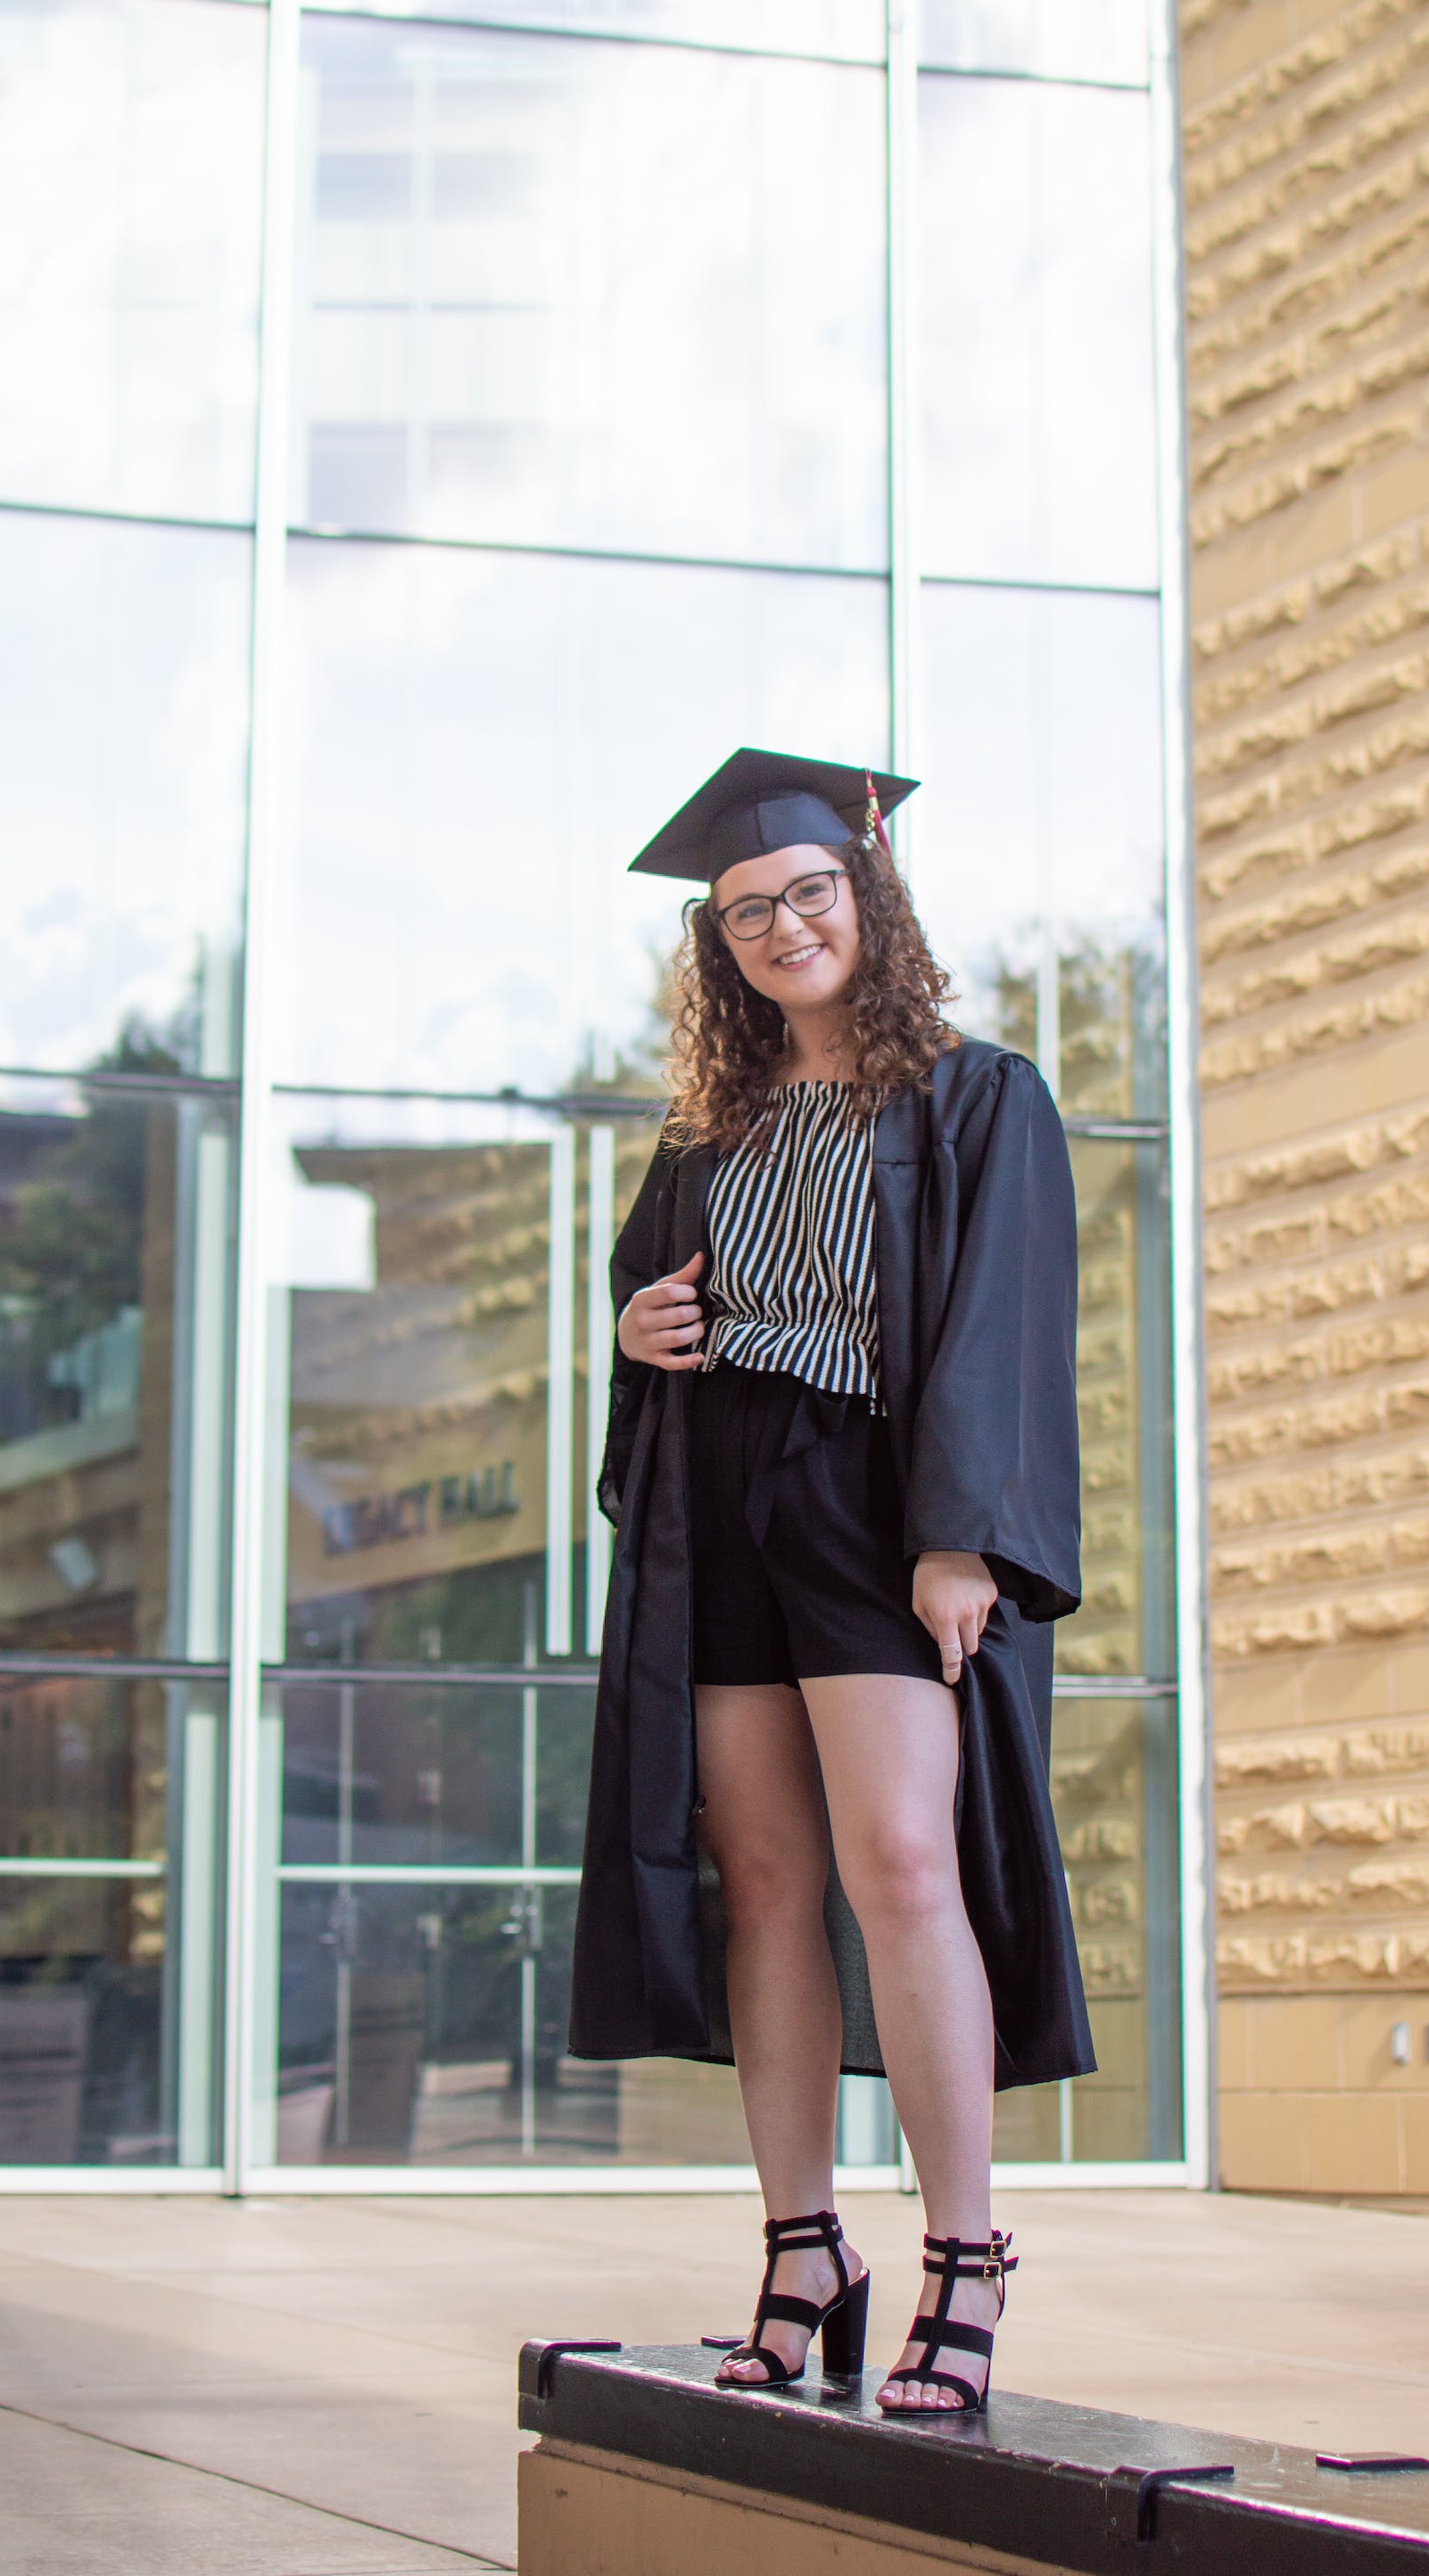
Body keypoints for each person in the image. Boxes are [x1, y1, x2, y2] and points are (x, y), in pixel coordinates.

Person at [569, 748, 1093, 2416]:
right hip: (725, 1498)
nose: (781, 927)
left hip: (880, 1500)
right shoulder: (706, 1128)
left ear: (867, 892)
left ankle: (965, 2257)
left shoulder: (976, 1093)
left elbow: (1000, 1327)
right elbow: (659, 1304)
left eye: (807, 893)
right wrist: (640, 1334)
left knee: (899, 1858)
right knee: (770, 1872)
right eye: (744, 914)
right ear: (718, 947)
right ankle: (806, 2246)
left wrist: (961, 1535)